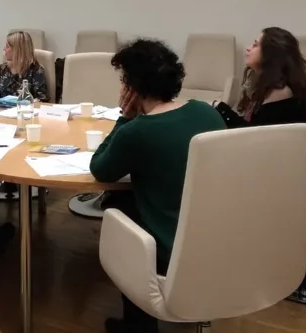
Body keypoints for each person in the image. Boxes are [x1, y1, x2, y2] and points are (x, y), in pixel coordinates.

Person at [88, 39, 226, 333]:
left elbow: (100, 170)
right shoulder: (206, 112)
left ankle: (139, 325)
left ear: (132, 87)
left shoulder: (138, 131)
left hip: (169, 245)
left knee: (116, 202)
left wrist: (124, 118)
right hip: (218, 236)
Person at [213, 27, 306, 128]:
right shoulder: (263, 82)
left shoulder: (280, 91)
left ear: (270, 54)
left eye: (255, 45)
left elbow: (252, 133)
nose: (248, 48)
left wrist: (221, 109)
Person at [0, 30, 50, 102]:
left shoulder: (36, 71)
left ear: (18, 50)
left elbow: (42, 99)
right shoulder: (2, 69)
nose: (4, 49)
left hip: (25, 110)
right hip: (1, 110)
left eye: (7, 46)